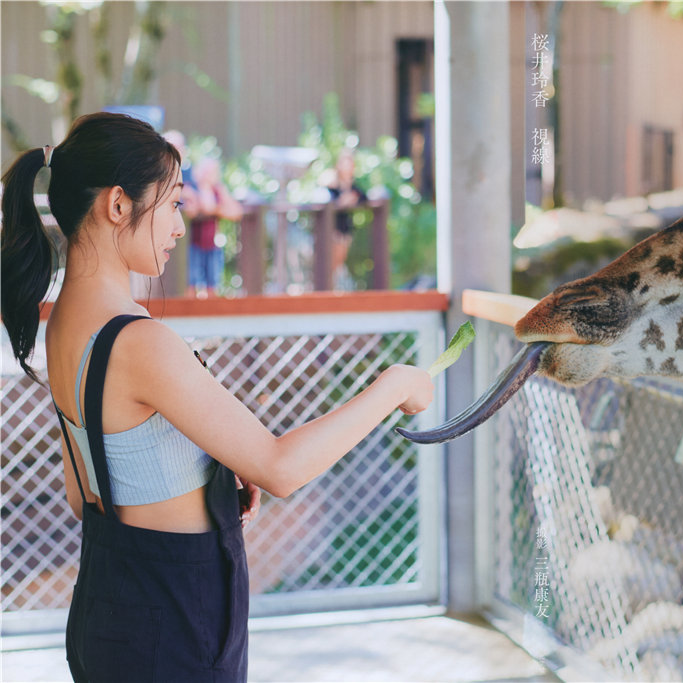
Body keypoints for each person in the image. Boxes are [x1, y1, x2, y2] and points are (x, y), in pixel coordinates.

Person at [0, 113, 435, 682]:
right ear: (118, 205)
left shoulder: (61, 325)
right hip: (174, 623)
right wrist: (394, 386)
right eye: (173, 204)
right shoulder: (139, 341)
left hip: (106, 615)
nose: (180, 227)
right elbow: (280, 469)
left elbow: (88, 495)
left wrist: (205, 466)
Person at [186, 157, 240, 298]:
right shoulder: (190, 188)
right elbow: (193, 210)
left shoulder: (217, 191)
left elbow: (235, 212)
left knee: (213, 284)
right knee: (191, 283)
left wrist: (216, 208)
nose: (208, 175)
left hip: (212, 245)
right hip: (193, 244)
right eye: (205, 171)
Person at [325, 149, 367, 289]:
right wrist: (341, 202)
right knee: (332, 261)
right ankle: (328, 287)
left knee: (340, 261)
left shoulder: (352, 186)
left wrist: (352, 199)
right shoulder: (332, 184)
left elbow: (363, 196)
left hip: (345, 228)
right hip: (333, 228)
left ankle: (334, 287)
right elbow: (328, 200)